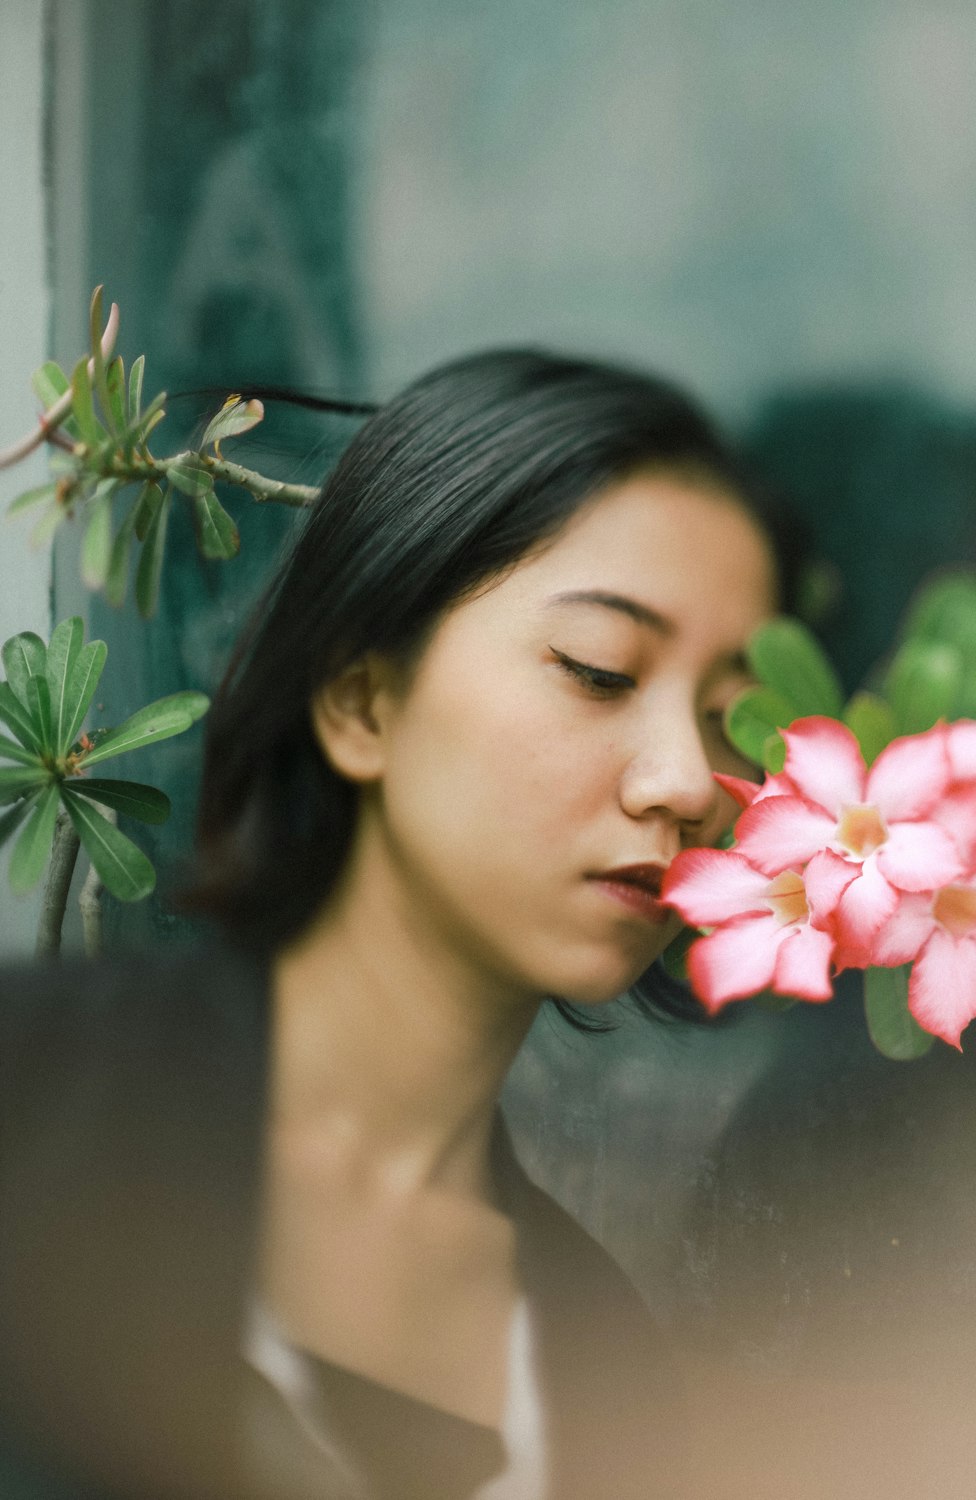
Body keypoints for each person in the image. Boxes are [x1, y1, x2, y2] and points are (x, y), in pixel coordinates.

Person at [0, 349, 785, 1500]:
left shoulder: (605, 1363)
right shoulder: (35, 1092)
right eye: (599, 669)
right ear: (361, 699)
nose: (687, 780)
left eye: (730, 719)